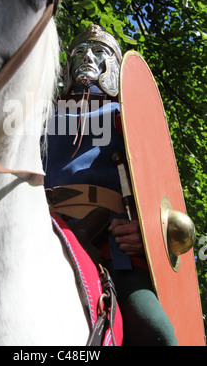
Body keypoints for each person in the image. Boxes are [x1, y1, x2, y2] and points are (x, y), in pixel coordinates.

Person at [43, 24, 177, 346]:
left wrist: (146, 233)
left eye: (98, 52)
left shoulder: (129, 116)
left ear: (113, 67)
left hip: (110, 243)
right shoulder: (40, 117)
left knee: (157, 331)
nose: (87, 57)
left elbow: (160, 195)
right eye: (80, 53)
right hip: (44, 230)